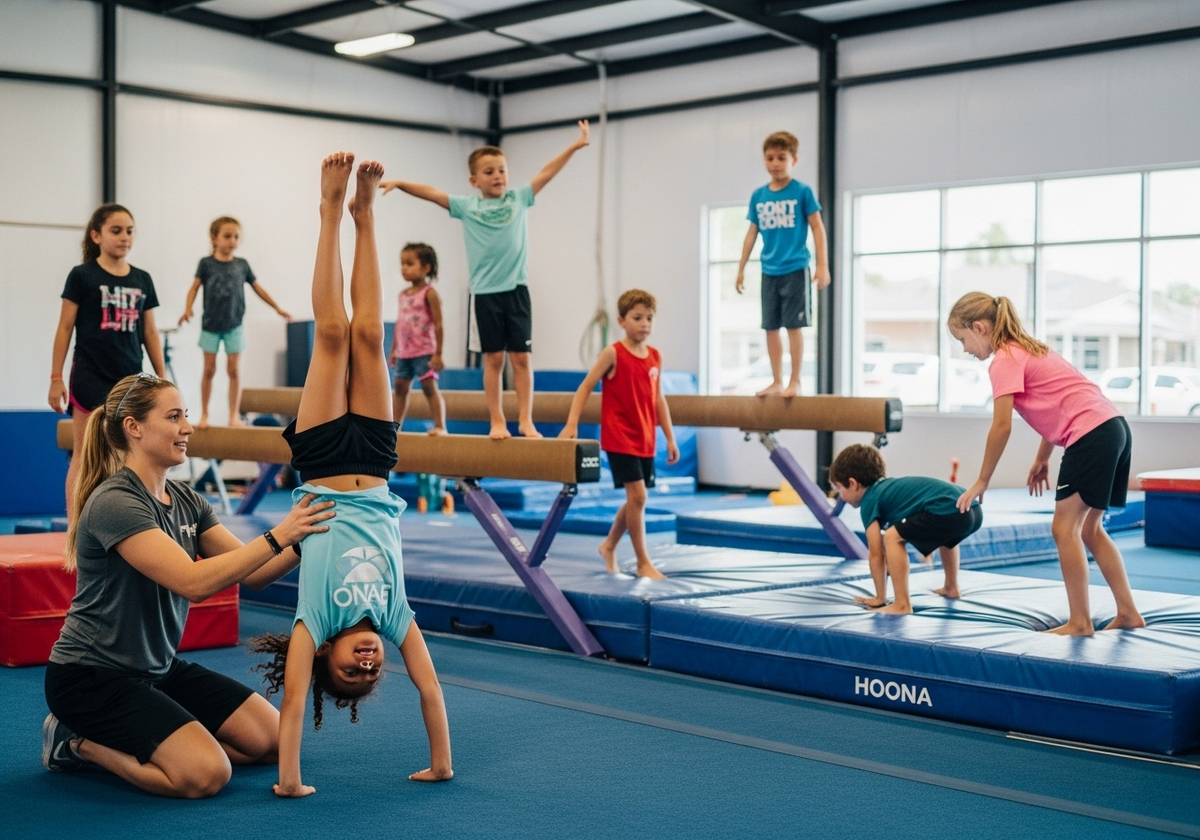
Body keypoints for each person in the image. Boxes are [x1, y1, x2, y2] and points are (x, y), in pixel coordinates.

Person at [253, 153, 452, 798]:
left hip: (320, 463)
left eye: (350, 673)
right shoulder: (395, 616)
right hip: (374, 461)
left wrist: (289, 780)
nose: (366, 666)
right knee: (369, 335)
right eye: (372, 674)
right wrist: (441, 764)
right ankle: (365, 216)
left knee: (333, 335)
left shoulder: (312, 620)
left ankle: (329, 211)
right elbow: (430, 686)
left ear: (325, 658)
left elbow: (292, 705)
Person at [41, 372, 335, 798]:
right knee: (205, 775)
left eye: (186, 415)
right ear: (134, 427)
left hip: (157, 669)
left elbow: (254, 574)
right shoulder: (116, 502)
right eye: (174, 416)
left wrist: (311, 537)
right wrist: (279, 535)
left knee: (273, 739)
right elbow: (192, 583)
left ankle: (175, 740)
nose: (188, 428)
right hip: (92, 677)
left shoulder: (187, 501)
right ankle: (76, 743)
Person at [949, 292, 1145, 636]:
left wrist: (982, 480)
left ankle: (1080, 622)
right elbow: (1061, 406)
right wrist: (1042, 458)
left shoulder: (1003, 359)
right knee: (1089, 529)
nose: (964, 349)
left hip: (1091, 435)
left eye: (962, 339)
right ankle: (1128, 612)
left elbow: (1001, 425)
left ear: (979, 328)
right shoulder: (1032, 348)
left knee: (1063, 529)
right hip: (1114, 428)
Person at [379, 121, 590, 439]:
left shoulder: (519, 199)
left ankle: (525, 420)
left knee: (521, 358)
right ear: (474, 180)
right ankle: (497, 420)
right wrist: (400, 183)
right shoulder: (468, 207)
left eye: (502, 170)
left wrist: (574, 146)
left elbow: (546, 173)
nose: (498, 176)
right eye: (489, 172)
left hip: (516, 291)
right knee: (493, 359)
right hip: (485, 294)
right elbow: (433, 193)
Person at [49, 204, 167, 520]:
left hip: (129, 378)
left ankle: (122, 521)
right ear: (96, 236)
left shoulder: (142, 279)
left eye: (129, 231)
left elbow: (150, 332)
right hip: (90, 373)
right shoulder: (82, 276)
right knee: (84, 453)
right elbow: (64, 327)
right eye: (116, 231)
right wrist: (55, 378)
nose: (124, 237)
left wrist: (162, 377)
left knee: (126, 454)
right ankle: (76, 526)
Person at [559, 289, 679, 579]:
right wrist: (572, 424)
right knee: (638, 496)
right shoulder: (613, 353)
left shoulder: (655, 356)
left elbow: (658, 399)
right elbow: (585, 387)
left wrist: (670, 437)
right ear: (621, 321)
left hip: (645, 437)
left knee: (637, 499)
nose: (645, 324)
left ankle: (609, 546)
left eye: (649, 318)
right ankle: (642, 562)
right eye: (637, 318)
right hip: (620, 436)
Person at [830, 444, 981, 614]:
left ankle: (902, 604)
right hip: (972, 508)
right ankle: (951, 587)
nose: (840, 496)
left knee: (892, 537)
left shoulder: (869, 500)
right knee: (947, 536)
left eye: (839, 489)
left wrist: (879, 598)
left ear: (852, 484)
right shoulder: (888, 488)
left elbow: (876, 553)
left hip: (950, 510)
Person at [734, 131, 829, 397]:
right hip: (769, 269)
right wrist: (741, 268)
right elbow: (751, 234)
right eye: (770, 158)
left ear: (793, 160)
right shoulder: (759, 196)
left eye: (781, 158)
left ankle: (794, 381)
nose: (775, 163)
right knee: (770, 327)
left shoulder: (802, 192)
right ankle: (777, 380)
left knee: (793, 326)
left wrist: (823, 265)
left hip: (795, 267)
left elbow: (817, 227)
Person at [178, 216, 292, 429]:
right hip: (210, 325)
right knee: (209, 370)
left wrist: (277, 307)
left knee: (234, 371)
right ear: (214, 238)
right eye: (227, 236)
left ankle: (233, 416)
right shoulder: (206, 264)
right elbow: (194, 288)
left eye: (236, 237)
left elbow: (258, 288)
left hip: (234, 325)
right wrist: (187, 308)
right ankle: (204, 414)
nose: (233, 241)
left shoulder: (242, 265)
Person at [391, 242, 447, 435]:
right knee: (400, 388)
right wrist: (393, 350)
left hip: (424, 350)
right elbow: (400, 324)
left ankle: (440, 425)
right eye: (402, 263)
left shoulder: (429, 294)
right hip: (404, 352)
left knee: (428, 387)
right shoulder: (402, 295)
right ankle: (395, 428)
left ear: (426, 268)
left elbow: (439, 324)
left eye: (409, 263)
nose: (404, 268)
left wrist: (438, 353)